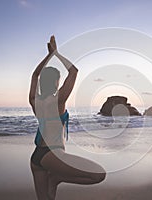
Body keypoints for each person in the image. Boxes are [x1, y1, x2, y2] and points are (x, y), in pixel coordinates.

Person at [29, 35, 106, 200]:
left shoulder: (34, 101)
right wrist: (56, 53)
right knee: (99, 175)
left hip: (37, 157)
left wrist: (48, 56)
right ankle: (58, 178)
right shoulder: (59, 100)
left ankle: (56, 178)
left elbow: (35, 75)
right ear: (57, 82)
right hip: (53, 155)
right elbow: (74, 71)